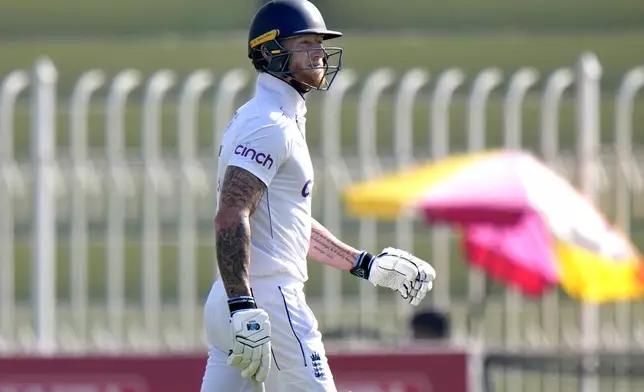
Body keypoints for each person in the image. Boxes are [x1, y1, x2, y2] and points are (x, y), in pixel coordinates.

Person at [199, 1, 437, 391]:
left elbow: (284, 225)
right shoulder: (270, 125)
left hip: (233, 300)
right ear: (270, 51)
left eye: (319, 43)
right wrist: (246, 306)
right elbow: (231, 216)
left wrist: (364, 265)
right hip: (267, 300)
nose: (319, 53)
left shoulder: (266, 116)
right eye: (305, 43)